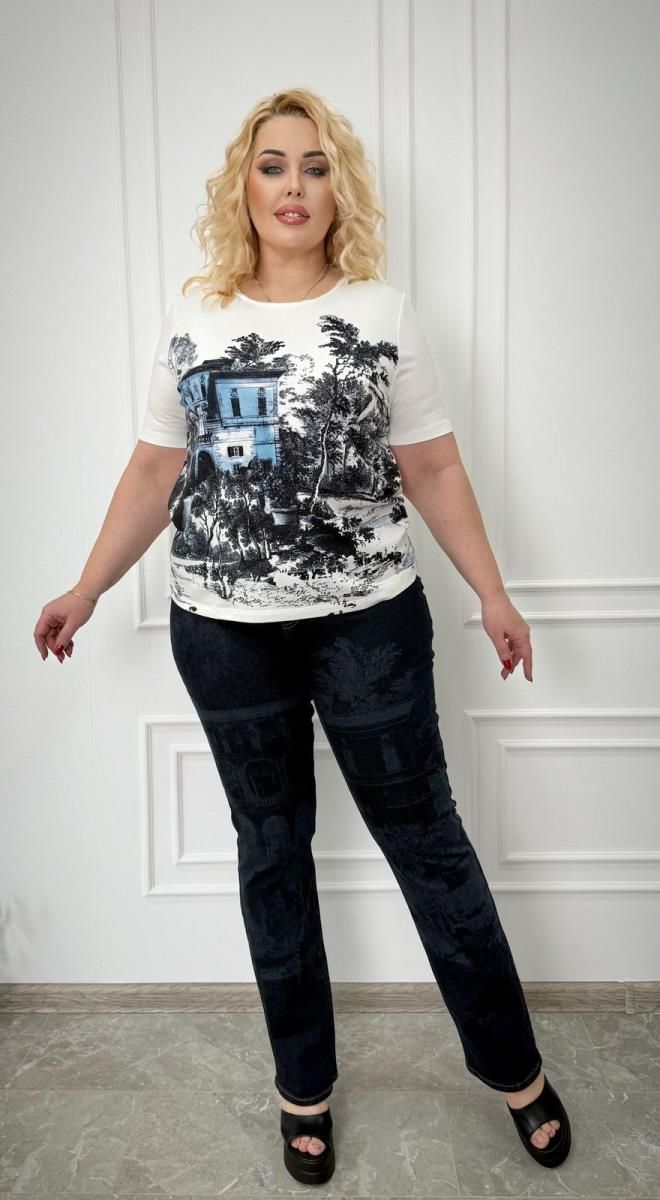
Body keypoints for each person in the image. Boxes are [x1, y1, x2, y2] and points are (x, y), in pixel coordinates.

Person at [33, 88, 571, 1183]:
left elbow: (432, 466)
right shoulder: (197, 317)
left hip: (369, 623)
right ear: (244, 186)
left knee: (427, 842)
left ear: (339, 190)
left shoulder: (383, 312)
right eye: (273, 165)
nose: (294, 187)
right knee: (271, 851)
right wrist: (89, 586)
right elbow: (157, 466)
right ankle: (303, 1089)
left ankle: (515, 1071)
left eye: (316, 167)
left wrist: (494, 593)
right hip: (223, 632)